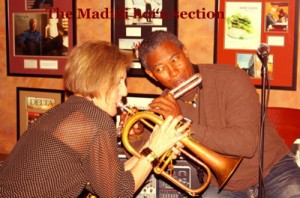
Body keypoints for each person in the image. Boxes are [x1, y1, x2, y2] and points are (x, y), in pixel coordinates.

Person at [0, 41, 190, 197]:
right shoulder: (95, 120)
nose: (124, 91)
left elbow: (108, 180)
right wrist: (154, 152)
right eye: (119, 82)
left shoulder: (69, 109)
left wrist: (153, 145)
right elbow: (118, 193)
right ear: (99, 81)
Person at [137, 30, 300, 197]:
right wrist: (137, 134)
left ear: (185, 52)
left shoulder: (231, 78)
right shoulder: (163, 106)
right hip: (223, 183)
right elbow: (146, 154)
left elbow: (246, 144)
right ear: (151, 75)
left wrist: (182, 125)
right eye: (160, 69)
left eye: (175, 59)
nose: (173, 72)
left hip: (274, 169)